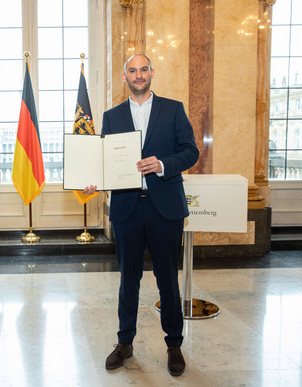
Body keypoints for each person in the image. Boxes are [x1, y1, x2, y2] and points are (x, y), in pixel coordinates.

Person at [83, 54, 199, 376]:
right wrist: (95, 180)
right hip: (127, 209)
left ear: (151, 73)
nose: (138, 75)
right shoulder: (112, 116)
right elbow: (106, 161)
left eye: (143, 69)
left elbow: (190, 151)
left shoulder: (173, 109)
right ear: (124, 77)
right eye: (132, 70)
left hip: (165, 209)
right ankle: (125, 342)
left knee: (168, 280)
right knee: (128, 280)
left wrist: (162, 165)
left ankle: (174, 344)